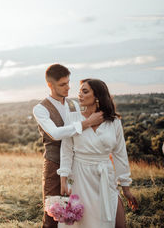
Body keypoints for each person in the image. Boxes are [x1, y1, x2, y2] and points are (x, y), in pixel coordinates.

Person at [58, 78, 138, 228]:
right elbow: (66, 150)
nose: (80, 94)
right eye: (79, 91)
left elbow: (120, 155)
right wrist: (63, 178)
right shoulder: (73, 118)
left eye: (85, 91)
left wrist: (126, 188)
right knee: (84, 222)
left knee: (119, 223)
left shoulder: (113, 122)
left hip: (105, 174)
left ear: (97, 96)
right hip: (80, 175)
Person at [33, 64, 104, 228]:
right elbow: (56, 133)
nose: (68, 87)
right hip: (54, 164)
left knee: (76, 211)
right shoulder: (40, 109)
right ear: (50, 85)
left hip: (77, 165)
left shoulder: (74, 104)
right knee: (53, 212)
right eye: (62, 84)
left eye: (68, 83)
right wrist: (87, 123)